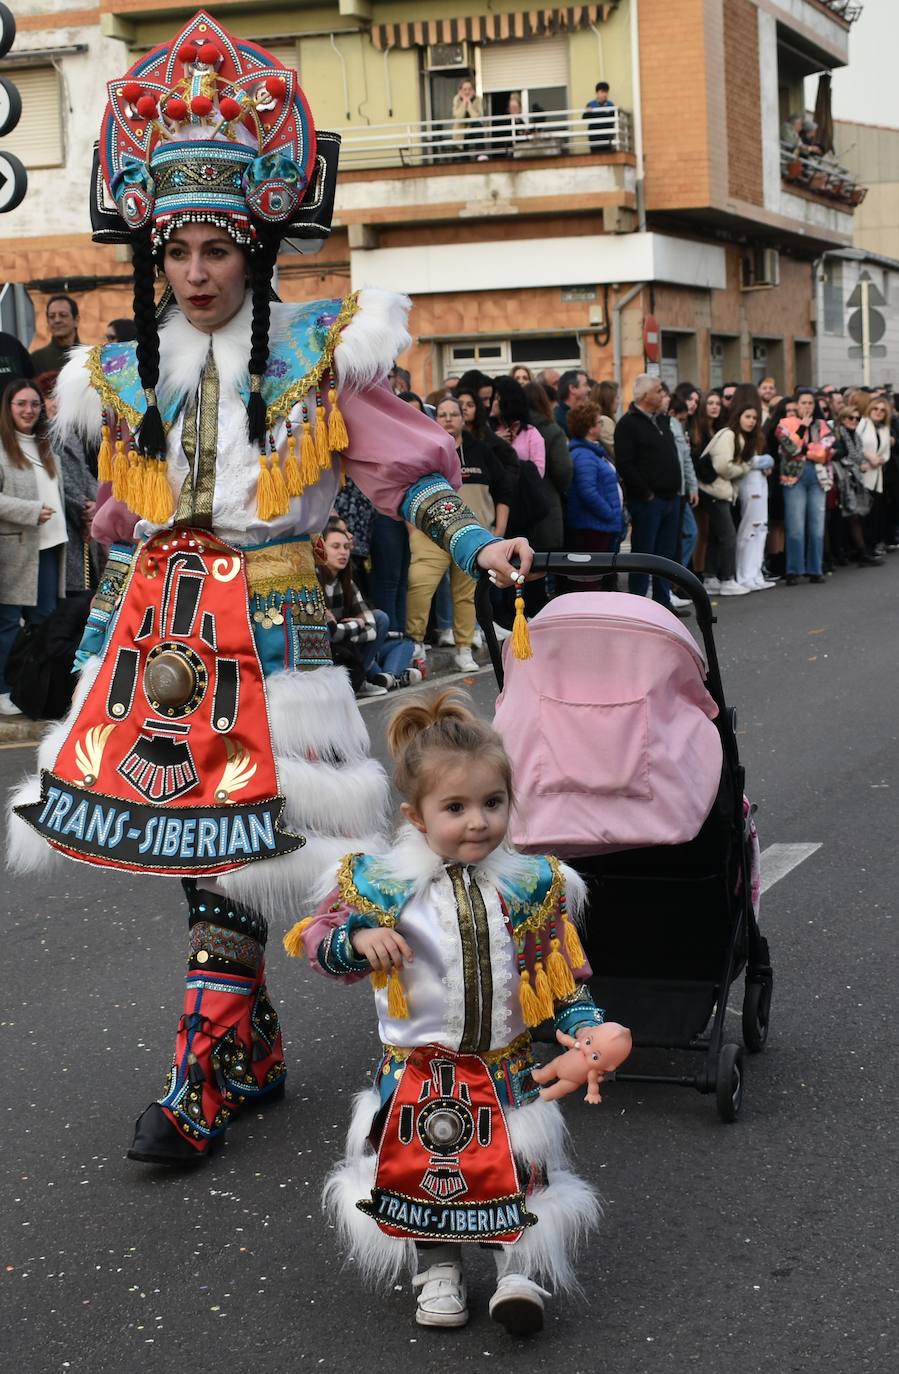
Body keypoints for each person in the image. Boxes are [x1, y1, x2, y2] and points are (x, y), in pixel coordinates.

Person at [8, 13, 533, 1168]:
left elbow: (404, 469)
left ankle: (227, 1056)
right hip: (157, 633)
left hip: (276, 633)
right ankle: (234, 1053)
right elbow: (119, 516)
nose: (194, 274)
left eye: (216, 250)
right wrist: (91, 630)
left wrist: (476, 541)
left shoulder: (316, 353)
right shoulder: (122, 367)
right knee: (200, 843)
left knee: (259, 835)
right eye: (177, 253)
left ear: (255, 244)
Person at [289, 689, 627, 1335]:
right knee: (419, 1174)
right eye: (455, 807)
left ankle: (518, 1271)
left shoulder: (532, 886)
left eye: (492, 804)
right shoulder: (375, 885)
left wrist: (590, 1029)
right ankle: (436, 1270)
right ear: (415, 815)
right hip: (416, 1070)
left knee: (519, 1169)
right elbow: (316, 945)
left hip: (506, 1068)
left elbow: (561, 981)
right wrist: (355, 938)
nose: (478, 821)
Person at [406, 394, 514, 673]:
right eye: (442, 414)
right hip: (430, 534)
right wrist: (410, 527)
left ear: (463, 418)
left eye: (454, 414)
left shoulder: (480, 450)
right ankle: (414, 643)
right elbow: (406, 490)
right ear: (435, 419)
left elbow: (503, 489)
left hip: (472, 533)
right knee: (421, 585)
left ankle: (464, 648)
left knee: (467, 594)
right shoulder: (425, 450)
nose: (449, 419)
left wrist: (498, 529)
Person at [0, 380, 67, 714]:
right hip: (15, 547)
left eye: (34, 405)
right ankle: (2, 688)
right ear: (8, 408)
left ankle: (34, 686)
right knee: (9, 621)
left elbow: (55, 492)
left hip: (52, 544)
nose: (28, 411)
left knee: (44, 621)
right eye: (21, 404)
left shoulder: (46, 446)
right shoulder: (1, 447)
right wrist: (29, 512)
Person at [318, 519, 420, 696]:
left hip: (352, 647)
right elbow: (328, 633)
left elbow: (372, 628)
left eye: (346, 547)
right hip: (330, 655)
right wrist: (355, 626)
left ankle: (377, 678)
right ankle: (389, 677)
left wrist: (346, 628)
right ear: (321, 549)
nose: (343, 552)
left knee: (391, 629)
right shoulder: (313, 582)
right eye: (335, 546)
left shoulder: (347, 582)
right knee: (376, 641)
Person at [613, 374, 683, 609]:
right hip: (648, 501)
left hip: (670, 497)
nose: (663, 395)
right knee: (644, 552)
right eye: (658, 391)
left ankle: (664, 601)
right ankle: (639, 603)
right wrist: (645, 492)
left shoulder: (662, 420)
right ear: (645, 396)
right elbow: (626, 463)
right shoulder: (628, 424)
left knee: (665, 553)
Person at [35, 372, 99, 594]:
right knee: (72, 593)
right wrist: (86, 508)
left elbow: (84, 472)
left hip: (84, 518)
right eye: (50, 397)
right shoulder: (44, 436)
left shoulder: (70, 431)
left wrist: (97, 503)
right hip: (65, 520)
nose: (56, 403)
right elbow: (60, 482)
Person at [697, 400, 759, 596]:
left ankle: (711, 576)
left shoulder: (737, 436)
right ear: (738, 417)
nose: (751, 421)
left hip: (717, 490)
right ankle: (726, 579)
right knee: (728, 536)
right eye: (747, 417)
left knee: (717, 536)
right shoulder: (730, 434)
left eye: (755, 418)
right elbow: (722, 466)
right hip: (715, 490)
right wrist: (745, 468)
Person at [777, 389, 833, 585]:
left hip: (818, 479)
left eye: (810, 403)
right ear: (797, 404)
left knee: (817, 526)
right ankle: (793, 570)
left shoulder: (823, 425)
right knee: (795, 527)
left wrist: (803, 449)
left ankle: (815, 569)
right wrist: (802, 429)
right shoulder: (785, 424)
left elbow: (825, 452)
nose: (807, 406)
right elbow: (789, 449)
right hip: (793, 479)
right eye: (803, 403)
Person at [565, 401, 623, 588]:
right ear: (589, 427)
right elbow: (587, 491)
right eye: (598, 422)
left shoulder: (593, 452)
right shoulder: (583, 455)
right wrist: (609, 513)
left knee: (601, 575)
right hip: (593, 527)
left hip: (600, 525)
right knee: (591, 579)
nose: (601, 425)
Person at [523, 380, 572, 555]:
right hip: (547, 504)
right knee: (547, 568)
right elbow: (563, 470)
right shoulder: (552, 430)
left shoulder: (512, 429)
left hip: (519, 508)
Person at [831, 401, 880, 566]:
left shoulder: (856, 436)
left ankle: (858, 552)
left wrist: (858, 466)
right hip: (841, 479)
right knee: (847, 518)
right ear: (843, 419)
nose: (854, 421)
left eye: (857, 419)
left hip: (854, 479)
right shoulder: (838, 434)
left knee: (855, 516)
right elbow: (838, 456)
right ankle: (853, 552)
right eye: (851, 418)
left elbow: (856, 457)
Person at [668, 392, 699, 588]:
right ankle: (673, 581)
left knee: (690, 533)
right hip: (672, 491)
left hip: (682, 491)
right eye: (680, 418)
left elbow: (686, 459)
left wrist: (692, 486)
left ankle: (676, 581)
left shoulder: (678, 428)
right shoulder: (668, 426)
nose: (681, 423)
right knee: (677, 538)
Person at [856, 392, 893, 556]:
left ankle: (872, 547)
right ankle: (862, 549)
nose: (878, 412)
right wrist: (868, 457)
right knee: (862, 514)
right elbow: (856, 444)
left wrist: (880, 459)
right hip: (862, 474)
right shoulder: (863, 423)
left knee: (875, 513)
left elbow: (887, 452)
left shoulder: (885, 428)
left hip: (877, 475)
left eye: (882, 410)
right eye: (876, 408)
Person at [492, 376, 546, 476]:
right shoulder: (489, 430)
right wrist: (494, 441)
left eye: (498, 398)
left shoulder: (531, 433)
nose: (494, 403)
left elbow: (538, 472)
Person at [30, 294, 82, 373]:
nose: (57, 320)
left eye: (63, 315)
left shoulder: (88, 355)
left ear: (76, 320)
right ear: (48, 322)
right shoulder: (37, 359)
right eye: (52, 316)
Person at [452, 78, 487, 161]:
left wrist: (470, 105)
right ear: (460, 91)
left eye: (469, 89)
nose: (467, 92)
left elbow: (476, 117)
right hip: (461, 133)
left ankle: (480, 154)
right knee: (464, 159)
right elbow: (459, 116)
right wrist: (464, 102)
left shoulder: (478, 100)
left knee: (477, 125)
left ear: (473, 90)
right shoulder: (456, 100)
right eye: (464, 90)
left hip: (473, 131)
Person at [554, 369, 590, 436]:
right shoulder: (558, 420)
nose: (589, 389)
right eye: (585, 385)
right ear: (572, 388)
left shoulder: (582, 414)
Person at [590, 379, 619, 460]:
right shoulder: (605, 421)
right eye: (616, 398)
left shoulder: (601, 419)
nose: (618, 402)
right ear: (608, 400)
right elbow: (616, 450)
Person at [583, 81, 616, 151]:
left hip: (607, 138)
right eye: (602, 92)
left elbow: (614, 118)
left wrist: (617, 111)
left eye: (606, 92)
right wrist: (587, 112)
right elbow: (584, 118)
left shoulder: (610, 104)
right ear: (597, 93)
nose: (604, 94)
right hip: (594, 138)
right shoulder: (591, 104)